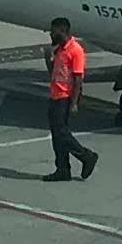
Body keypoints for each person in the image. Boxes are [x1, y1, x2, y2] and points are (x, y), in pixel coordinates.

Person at [43, 18, 96, 182]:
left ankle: (86, 156)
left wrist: (74, 103)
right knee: (57, 135)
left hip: (65, 98)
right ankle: (62, 168)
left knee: (61, 132)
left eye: (54, 31)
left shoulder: (76, 50)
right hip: (55, 95)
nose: (51, 34)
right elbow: (54, 72)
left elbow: (78, 79)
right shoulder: (59, 49)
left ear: (62, 31)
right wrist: (48, 58)